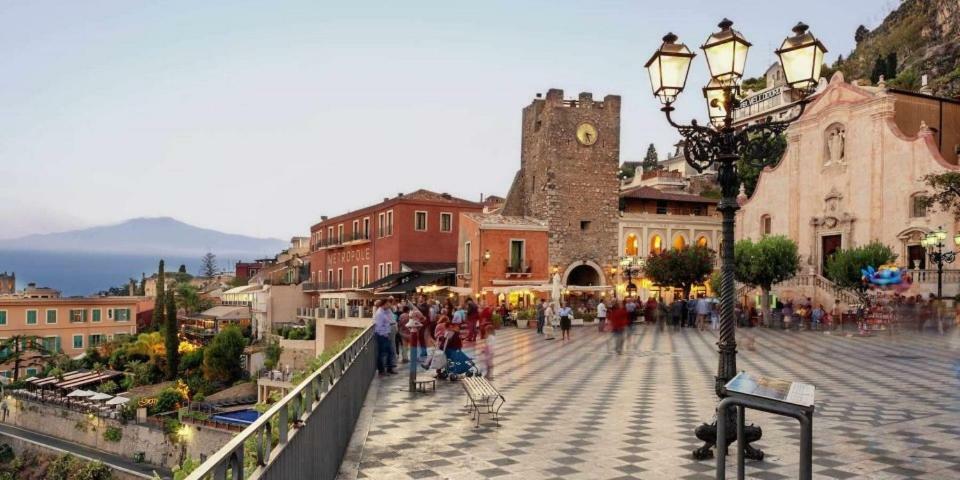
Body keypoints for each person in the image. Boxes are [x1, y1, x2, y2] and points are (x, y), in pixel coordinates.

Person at [373, 300, 397, 375]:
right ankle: (382, 370)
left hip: (386, 334)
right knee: (382, 353)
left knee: (389, 352)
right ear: (384, 304)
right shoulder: (380, 313)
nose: (389, 305)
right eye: (388, 303)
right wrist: (383, 334)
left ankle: (389, 369)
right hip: (382, 336)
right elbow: (379, 326)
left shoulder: (384, 311)